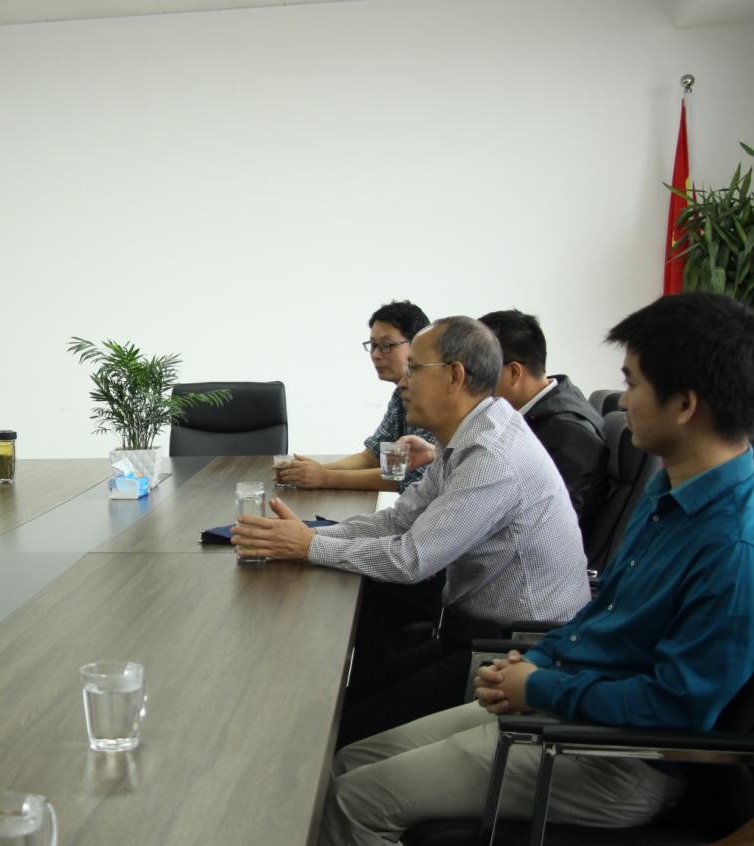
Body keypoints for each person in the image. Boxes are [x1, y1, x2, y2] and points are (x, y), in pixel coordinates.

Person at [321, 292, 754, 845]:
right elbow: (603, 611)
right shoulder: (670, 489)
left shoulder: (733, 544)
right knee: (349, 759)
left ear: (686, 405)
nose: (623, 400)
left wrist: (543, 686)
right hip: (564, 697)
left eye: (634, 383)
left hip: (615, 756)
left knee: (353, 801)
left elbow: (677, 709)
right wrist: (541, 660)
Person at [233, 316, 590, 745]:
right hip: (472, 634)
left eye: (415, 369)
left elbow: (411, 559)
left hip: (512, 654)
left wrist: (309, 546)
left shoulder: (491, 456)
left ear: (455, 375)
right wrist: (313, 537)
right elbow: (399, 520)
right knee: (342, 707)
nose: (403, 381)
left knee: (343, 734)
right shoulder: (470, 435)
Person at [404, 310, 607, 539]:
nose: (467, 382)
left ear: (513, 372)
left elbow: (546, 526)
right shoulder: (528, 414)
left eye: (481, 369)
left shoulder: (569, 432)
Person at [279, 300, 437, 493]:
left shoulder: (433, 397)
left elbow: (408, 478)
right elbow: (372, 456)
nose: (376, 354)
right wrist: (309, 470)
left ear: (418, 345)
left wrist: (324, 477)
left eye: (387, 345)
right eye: (373, 345)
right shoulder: (400, 394)